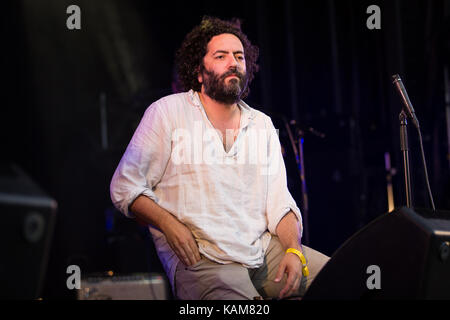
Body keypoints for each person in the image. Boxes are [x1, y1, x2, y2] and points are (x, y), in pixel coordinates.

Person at [110, 16, 329, 300]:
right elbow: (124, 187)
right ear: (199, 71)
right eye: (221, 55)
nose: (233, 62)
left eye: (239, 56)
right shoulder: (167, 113)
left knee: (345, 280)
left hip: (261, 252)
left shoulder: (261, 124)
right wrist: (168, 223)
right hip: (203, 258)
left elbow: (280, 203)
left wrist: (292, 249)